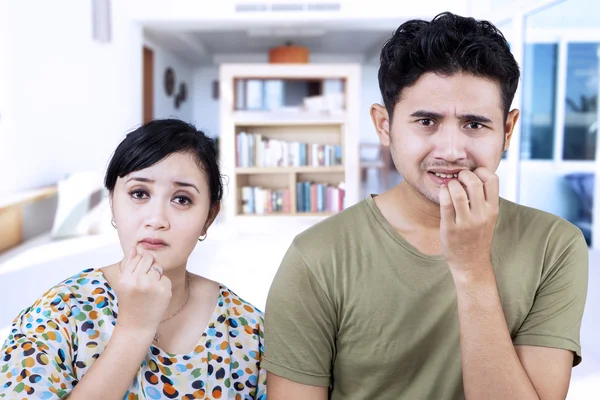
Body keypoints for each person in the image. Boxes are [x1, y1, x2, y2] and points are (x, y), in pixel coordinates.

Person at [262, 12, 589, 400]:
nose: (451, 151)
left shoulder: (555, 246)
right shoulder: (316, 256)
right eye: (427, 122)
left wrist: (472, 270)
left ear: (508, 130)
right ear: (384, 126)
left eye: (474, 124)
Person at [0, 119, 267, 399]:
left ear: (209, 217)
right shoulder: (55, 316)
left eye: (182, 199)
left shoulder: (248, 329)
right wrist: (134, 328)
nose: (156, 219)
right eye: (139, 193)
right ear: (112, 203)